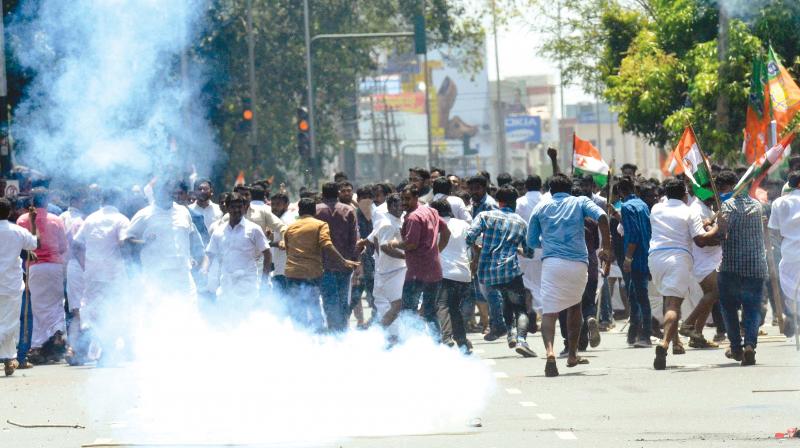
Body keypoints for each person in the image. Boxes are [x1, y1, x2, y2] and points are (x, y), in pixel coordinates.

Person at [527, 173, 613, 377]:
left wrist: (547, 242)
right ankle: (573, 354)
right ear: (569, 188)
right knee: (575, 307)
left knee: (549, 312)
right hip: (577, 263)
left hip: (551, 263)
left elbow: (531, 241)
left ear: (550, 191)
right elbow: (602, 216)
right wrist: (607, 247)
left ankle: (550, 353)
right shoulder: (580, 201)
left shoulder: (541, 207)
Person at [648, 178, 718, 370]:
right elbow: (701, 241)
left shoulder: (656, 208)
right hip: (677, 258)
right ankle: (664, 344)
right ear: (685, 194)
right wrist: (718, 227)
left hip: (655, 258)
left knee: (667, 298)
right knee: (673, 305)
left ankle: (676, 342)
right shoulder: (688, 212)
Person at [466, 186, 537, 357]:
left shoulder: (485, 216)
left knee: (505, 302)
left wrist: (478, 247)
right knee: (519, 308)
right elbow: (529, 252)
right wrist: (518, 250)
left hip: (487, 273)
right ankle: (521, 340)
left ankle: (509, 333)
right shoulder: (521, 222)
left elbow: (469, 236)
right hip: (510, 271)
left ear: (499, 201)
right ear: (514, 203)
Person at [71, 187, 131, 365]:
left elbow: (76, 246)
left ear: (102, 201)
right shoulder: (121, 219)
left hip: (93, 274)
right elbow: (123, 243)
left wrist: (86, 266)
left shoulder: (90, 219)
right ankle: (108, 350)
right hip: (114, 274)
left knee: (95, 313)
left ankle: (101, 349)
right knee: (115, 310)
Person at [283, 198, 359, 332]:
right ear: (314, 211)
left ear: (299, 211)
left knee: (296, 308)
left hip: (292, 272)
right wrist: (343, 261)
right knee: (316, 305)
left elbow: (288, 250)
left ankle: (301, 337)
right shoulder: (320, 224)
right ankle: (321, 338)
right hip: (312, 273)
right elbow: (327, 244)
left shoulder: (290, 228)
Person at [386, 184, 450, 340]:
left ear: (416, 198)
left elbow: (411, 244)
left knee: (408, 311)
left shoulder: (414, 217)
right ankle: (436, 344)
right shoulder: (431, 211)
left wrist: (394, 243)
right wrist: (436, 251)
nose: (404, 203)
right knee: (430, 312)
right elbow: (446, 232)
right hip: (434, 270)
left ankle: (411, 343)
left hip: (417, 273)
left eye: (407, 199)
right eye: (402, 199)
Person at [124, 179, 204, 303]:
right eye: (165, 191)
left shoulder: (183, 212)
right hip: (157, 276)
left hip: (183, 274)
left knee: (189, 313)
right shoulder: (144, 214)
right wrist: (144, 243)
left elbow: (191, 236)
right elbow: (127, 241)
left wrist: (191, 257)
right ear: (156, 193)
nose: (170, 194)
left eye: (171, 191)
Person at [717, 172, 767, 366]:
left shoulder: (727, 207)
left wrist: (713, 226)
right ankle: (750, 346)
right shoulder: (757, 206)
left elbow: (721, 235)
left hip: (731, 266)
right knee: (752, 308)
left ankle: (736, 346)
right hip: (756, 266)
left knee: (729, 308)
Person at [16, 188, 69, 364]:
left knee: (38, 308)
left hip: (35, 267)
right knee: (56, 305)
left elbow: (20, 245)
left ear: (32, 201)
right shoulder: (56, 220)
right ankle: (57, 332)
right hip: (54, 266)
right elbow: (63, 247)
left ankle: (38, 346)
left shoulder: (23, 220)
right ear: (47, 201)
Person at [680, 174, 729, 348]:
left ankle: (697, 335)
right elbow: (701, 240)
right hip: (703, 259)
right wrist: (718, 230)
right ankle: (688, 324)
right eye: (710, 189)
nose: (714, 192)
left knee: (711, 296)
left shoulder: (707, 207)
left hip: (713, 258)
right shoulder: (697, 210)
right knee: (714, 292)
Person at [204, 193, 270, 304]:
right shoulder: (219, 231)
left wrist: (264, 279)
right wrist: (204, 269)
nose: (237, 210)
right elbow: (209, 253)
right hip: (226, 286)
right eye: (233, 207)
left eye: (240, 206)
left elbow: (267, 254)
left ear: (244, 208)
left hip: (247, 286)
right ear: (227, 208)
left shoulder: (254, 229)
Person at [0, 198, 38, 376]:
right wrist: (33, 222)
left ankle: (9, 359)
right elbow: (34, 244)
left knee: (7, 323)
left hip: (10, 284)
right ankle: (9, 359)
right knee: (10, 322)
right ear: (9, 213)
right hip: (11, 285)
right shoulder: (18, 231)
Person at [429, 199, 473, 353]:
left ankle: (447, 338)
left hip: (443, 272)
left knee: (442, 305)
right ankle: (461, 341)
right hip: (463, 273)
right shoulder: (463, 224)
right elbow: (476, 244)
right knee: (455, 308)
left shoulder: (434, 225)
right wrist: (473, 265)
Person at [315, 182, 359, 331]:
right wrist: (354, 261)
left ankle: (334, 334)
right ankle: (341, 333)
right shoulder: (349, 210)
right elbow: (354, 240)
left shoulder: (316, 211)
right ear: (338, 193)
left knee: (329, 302)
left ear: (323, 194)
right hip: (344, 266)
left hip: (323, 266)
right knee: (342, 303)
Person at [466, 174, 505, 338]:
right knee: (482, 290)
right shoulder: (474, 204)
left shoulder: (489, 205)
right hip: (477, 251)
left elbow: (498, 227)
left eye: (477, 188)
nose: (474, 192)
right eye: (471, 189)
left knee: (491, 291)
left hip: (488, 252)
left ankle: (497, 324)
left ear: (484, 188)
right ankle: (491, 324)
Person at [618, 176, 653, 348]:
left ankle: (646, 334)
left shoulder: (626, 206)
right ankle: (633, 332)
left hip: (636, 256)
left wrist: (628, 258)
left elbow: (633, 234)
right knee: (633, 293)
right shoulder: (642, 204)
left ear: (620, 192)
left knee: (641, 296)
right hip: (647, 253)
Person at [769, 170, 800, 337]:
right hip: (789, 252)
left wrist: (784, 241)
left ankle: (793, 315)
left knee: (790, 286)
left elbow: (774, 231)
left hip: (788, 252)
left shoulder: (779, 203)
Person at [371, 193, 406, 335]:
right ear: (391, 206)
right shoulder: (387, 223)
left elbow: (374, 238)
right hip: (392, 272)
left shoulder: (397, 220)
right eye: (399, 206)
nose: (402, 209)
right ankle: (377, 334)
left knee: (401, 306)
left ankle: (394, 336)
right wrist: (406, 256)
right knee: (397, 306)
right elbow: (385, 247)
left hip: (397, 269)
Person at [516, 175, 544, 314]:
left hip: (524, 249)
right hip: (544, 248)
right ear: (541, 186)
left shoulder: (519, 202)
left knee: (526, 283)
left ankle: (532, 311)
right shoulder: (547, 200)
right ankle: (540, 312)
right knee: (541, 283)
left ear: (526, 186)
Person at [268, 191, 295, 294]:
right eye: (273, 204)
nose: (274, 207)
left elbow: (287, 242)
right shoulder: (278, 220)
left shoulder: (286, 220)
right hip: (279, 267)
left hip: (284, 269)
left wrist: (268, 244)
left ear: (286, 205)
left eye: (278, 204)